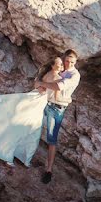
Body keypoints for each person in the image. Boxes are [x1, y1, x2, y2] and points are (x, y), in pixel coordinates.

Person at [0, 57, 62, 167]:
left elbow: (37, 85)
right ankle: (14, 155)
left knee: (19, 123)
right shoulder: (58, 78)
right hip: (37, 103)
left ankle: (4, 145)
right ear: (52, 65)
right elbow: (56, 96)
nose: (62, 66)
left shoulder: (46, 74)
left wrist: (42, 86)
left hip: (33, 97)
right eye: (59, 64)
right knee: (29, 129)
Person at [34, 49, 81, 184]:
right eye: (67, 61)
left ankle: (48, 170)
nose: (69, 64)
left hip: (56, 109)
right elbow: (48, 76)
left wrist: (42, 83)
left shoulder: (75, 75)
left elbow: (58, 86)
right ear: (64, 58)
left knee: (51, 139)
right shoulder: (60, 68)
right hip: (43, 103)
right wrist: (39, 83)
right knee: (28, 124)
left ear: (76, 62)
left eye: (72, 62)